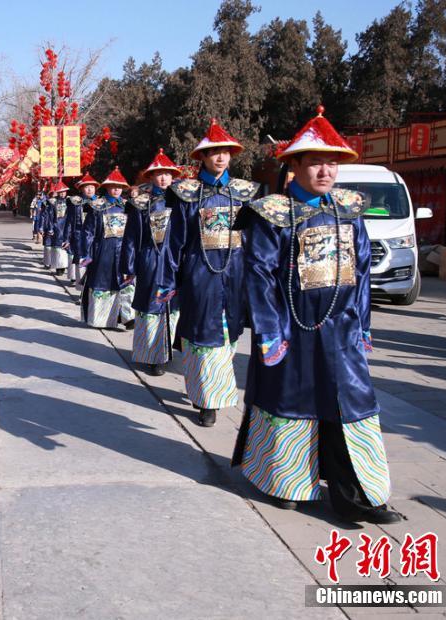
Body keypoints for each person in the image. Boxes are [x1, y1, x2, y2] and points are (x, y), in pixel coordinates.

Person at [231, 106, 401, 524]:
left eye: (332, 162)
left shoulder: (349, 209)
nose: (326, 171)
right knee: (291, 400)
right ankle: (286, 482)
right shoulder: (270, 214)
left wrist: (362, 323)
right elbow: (258, 276)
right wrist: (270, 332)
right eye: (315, 162)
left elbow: (360, 274)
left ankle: (361, 494)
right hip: (292, 328)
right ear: (294, 165)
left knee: (351, 401)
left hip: (341, 329)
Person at [168, 119, 258, 427]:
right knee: (203, 339)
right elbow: (176, 241)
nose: (220, 158)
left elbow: (253, 240)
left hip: (235, 275)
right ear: (202, 158)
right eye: (213, 152)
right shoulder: (186, 194)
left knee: (228, 338)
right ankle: (210, 401)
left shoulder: (245, 193)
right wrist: (174, 279)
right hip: (199, 275)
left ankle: (204, 388)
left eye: (225, 152)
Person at [122, 150, 180, 377]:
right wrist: (129, 266)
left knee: (172, 308)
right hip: (150, 260)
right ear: (151, 177)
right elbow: (131, 237)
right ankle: (153, 355)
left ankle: (166, 352)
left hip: (175, 261)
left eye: (167, 173)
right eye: (158, 174)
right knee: (152, 307)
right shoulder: (141, 203)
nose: (163, 178)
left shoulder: (183, 201)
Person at [79, 167, 135, 329]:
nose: (117, 189)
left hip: (124, 251)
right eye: (113, 186)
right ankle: (102, 319)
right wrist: (86, 253)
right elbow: (88, 232)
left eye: (120, 186)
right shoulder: (97, 207)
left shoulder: (129, 207)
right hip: (103, 252)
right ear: (107, 187)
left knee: (126, 282)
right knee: (103, 283)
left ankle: (127, 316)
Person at [63, 174, 100, 287]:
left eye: (92, 187)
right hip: (80, 238)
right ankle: (82, 292)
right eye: (87, 187)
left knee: (97, 264)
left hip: (98, 238)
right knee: (81, 263)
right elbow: (69, 222)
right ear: (81, 188)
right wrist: (66, 238)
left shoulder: (102, 203)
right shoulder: (75, 203)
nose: (90, 189)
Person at [43, 180, 71, 276]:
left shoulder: (70, 201)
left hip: (67, 225)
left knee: (67, 247)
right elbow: (50, 216)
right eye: (61, 192)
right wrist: (50, 228)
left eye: (64, 192)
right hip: (57, 226)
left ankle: (65, 266)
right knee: (57, 248)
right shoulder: (53, 202)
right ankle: (59, 267)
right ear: (58, 192)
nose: (63, 194)